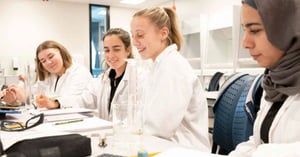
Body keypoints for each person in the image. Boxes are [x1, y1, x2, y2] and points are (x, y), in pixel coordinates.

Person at [130, 7, 210, 151]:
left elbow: (160, 127)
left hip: (185, 149)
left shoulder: (173, 66)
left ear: (163, 33)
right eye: (133, 36)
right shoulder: (158, 65)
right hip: (166, 145)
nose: (134, 42)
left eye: (140, 35)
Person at [229, 0, 300, 156]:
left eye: (254, 30)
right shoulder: (274, 80)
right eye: (245, 30)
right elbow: (258, 141)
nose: (245, 43)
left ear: (288, 28)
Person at [51, 28, 134, 119]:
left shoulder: (137, 78)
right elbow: (84, 100)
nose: (111, 55)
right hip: (108, 131)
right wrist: (57, 103)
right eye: (107, 50)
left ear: (128, 50)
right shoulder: (102, 79)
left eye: (116, 49)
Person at [1, 40, 93, 109]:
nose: (48, 62)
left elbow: (73, 102)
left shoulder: (79, 73)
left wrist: (26, 98)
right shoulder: (50, 76)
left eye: (51, 56)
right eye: (43, 61)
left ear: (61, 52)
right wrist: (14, 98)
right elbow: (37, 98)